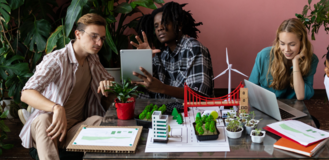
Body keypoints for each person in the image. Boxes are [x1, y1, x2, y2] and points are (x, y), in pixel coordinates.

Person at [19, 13, 115, 160]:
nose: (99, 43)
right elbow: (26, 93)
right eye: (94, 36)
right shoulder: (56, 60)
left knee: (99, 120)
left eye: (102, 38)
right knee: (43, 119)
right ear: (78, 34)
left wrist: (107, 84)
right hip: (51, 125)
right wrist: (56, 107)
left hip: (74, 128)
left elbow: (109, 81)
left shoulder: (93, 58)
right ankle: (32, 118)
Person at [130, 2, 214, 99]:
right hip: (163, 112)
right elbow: (142, 91)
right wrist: (142, 60)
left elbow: (199, 95)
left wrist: (162, 88)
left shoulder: (193, 48)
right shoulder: (159, 55)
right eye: (156, 26)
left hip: (192, 113)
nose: (159, 28)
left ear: (179, 25)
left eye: (164, 23)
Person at [249, 18, 318, 100]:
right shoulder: (264, 56)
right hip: (266, 105)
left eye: (292, 44)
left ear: (302, 43)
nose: (287, 49)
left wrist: (295, 61)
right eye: (282, 44)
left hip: (294, 108)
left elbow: (301, 95)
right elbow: (249, 89)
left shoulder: (311, 59)